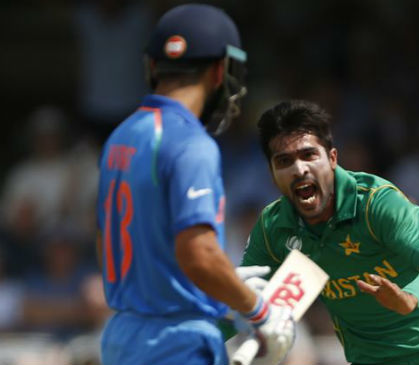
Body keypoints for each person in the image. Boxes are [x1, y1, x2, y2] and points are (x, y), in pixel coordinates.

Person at [96, 4, 294, 365]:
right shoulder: (192, 143)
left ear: (153, 66)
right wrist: (259, 311)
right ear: (221, 71)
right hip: (177, 343)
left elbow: (122, 243)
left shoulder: (121, 136)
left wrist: (221, 287)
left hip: (122, 339)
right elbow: (198, 254)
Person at [241, 100, 419, 365]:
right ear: (272, 173)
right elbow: (241, 299)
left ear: (333, 158)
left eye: (309, 155)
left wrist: (409, 298)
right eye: (284, 161)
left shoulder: (376, 204)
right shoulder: (274, 227)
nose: (299, 169)